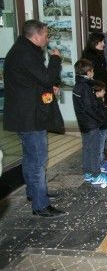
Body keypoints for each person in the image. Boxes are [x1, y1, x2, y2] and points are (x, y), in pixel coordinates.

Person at [3, 19, 66, 217]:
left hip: (25, 114)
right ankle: (41, 205)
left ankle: (35, 193)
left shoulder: (23, 50)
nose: (47, 40)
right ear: (36, 35)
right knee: (38, 159)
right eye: (46, 35)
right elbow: (46, 77)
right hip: (29, 117)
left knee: (31, 158)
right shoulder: (26, 53)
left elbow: (33, 80)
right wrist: (56, 59)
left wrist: (49, 86)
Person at [72, 59, 107, 186]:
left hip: (84, 123)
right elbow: (90, 108)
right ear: (89, 72)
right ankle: (96, 175)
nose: (93, 73)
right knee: (94, 149)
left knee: (87, 148)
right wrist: (104, 115)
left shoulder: (78, 85)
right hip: (91, 124)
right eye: (92, 70)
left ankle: (88, 173)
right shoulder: (85, 87)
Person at [82, 32, 107, 142]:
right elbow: (96, 74)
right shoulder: (89, 56)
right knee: (101, 111)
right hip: (97, 88)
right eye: (102, 42)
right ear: (96, 42)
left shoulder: (99, 53)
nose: (104, 44)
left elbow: (101, 71)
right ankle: (106, 134)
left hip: (103, 85)